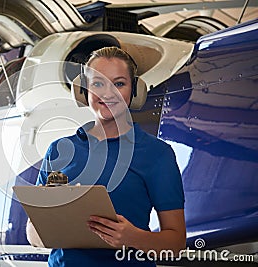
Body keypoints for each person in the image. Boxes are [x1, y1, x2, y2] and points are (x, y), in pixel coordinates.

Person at [27, 46, 185, 266]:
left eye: (119, 83)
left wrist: (133, 238)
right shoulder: (58, 150)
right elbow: (33, 236)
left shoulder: (157, 154)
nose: (108, 93)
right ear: (83, 90)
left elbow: (176, 244)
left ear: (135, 90)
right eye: (98, 84)